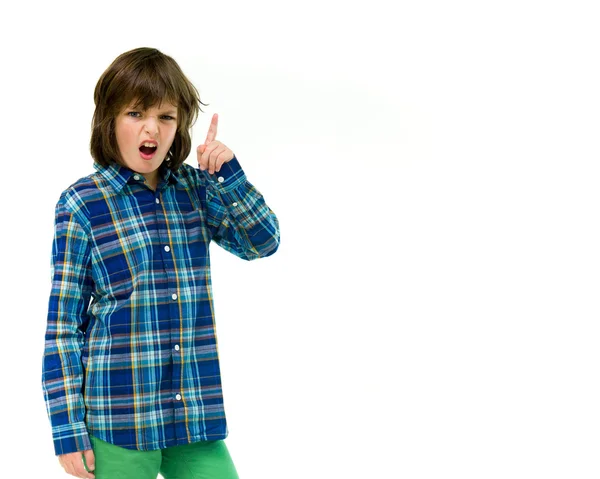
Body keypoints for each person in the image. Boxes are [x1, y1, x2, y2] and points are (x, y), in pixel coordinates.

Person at [41, 47, 280, 479]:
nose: (151, 127)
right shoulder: (81, 204)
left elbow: (262, 242)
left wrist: (229, 176)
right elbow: (63, 326)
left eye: (165, 117)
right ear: (110, 120)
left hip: (191, 417)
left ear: (178, 127)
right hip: (118, 420)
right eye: (135, 113)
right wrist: (67, 430)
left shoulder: (197, 189)